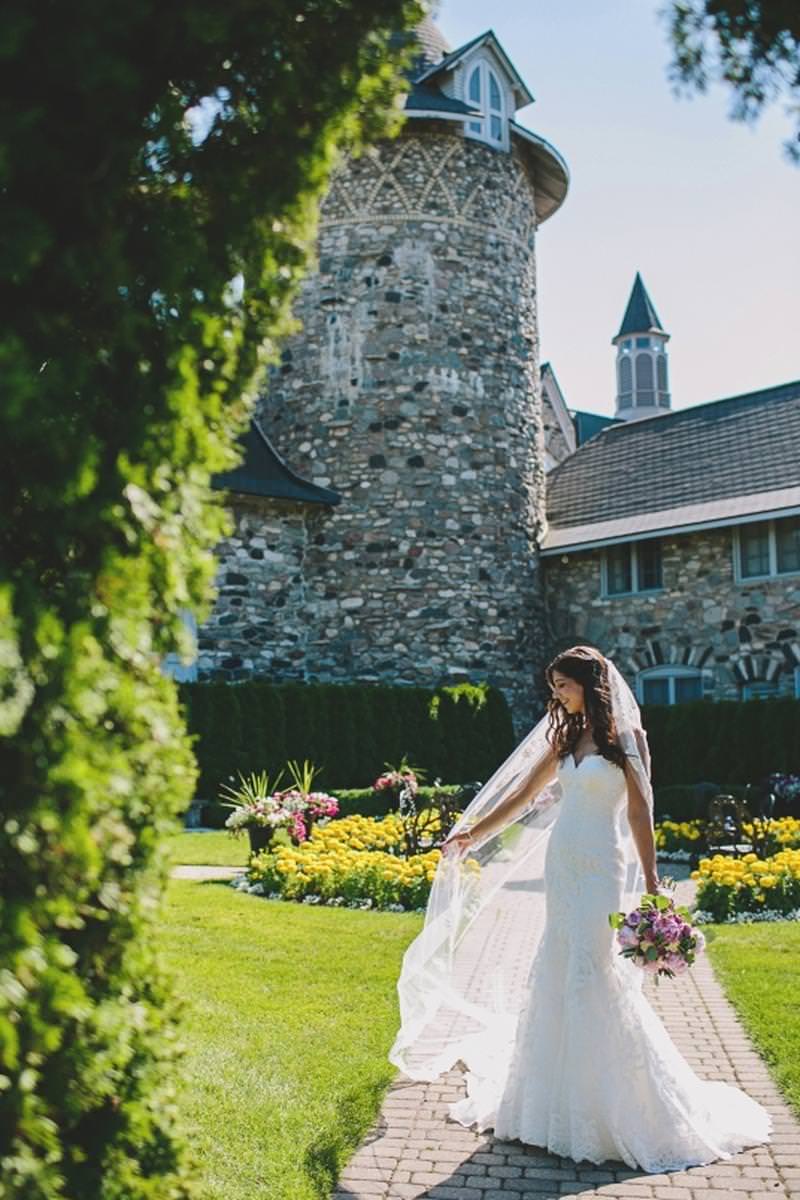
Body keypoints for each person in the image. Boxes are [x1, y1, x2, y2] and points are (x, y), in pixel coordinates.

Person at [388, 645, 773, 1173]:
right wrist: (472, 834)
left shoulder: (628, 740)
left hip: (601, 867)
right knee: (558, 966)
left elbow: (640, 812)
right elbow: (525, 795)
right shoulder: (565, 737)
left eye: (564, 687)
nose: (558, 696)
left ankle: (617, 1105)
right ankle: (550, 1105)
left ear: (589, 685)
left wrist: (655, 879)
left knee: (594, 973)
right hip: (563, 864)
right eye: (555, 690)